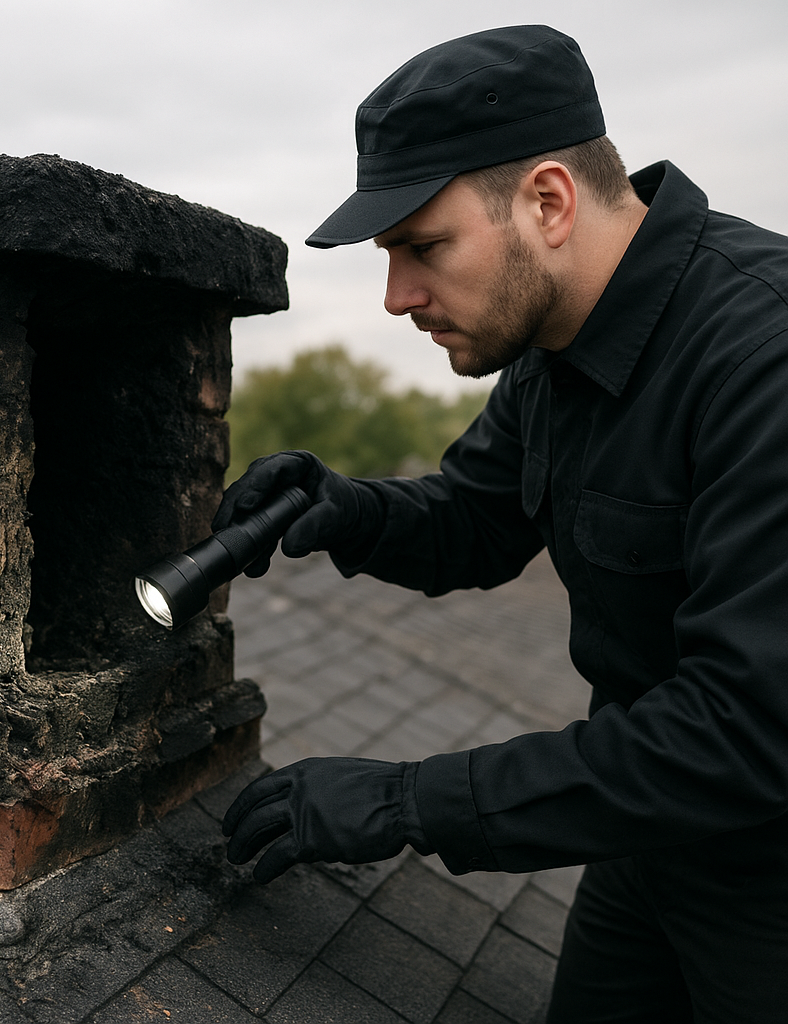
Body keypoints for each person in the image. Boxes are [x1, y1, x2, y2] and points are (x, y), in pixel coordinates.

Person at [213, 24, 788, 1024]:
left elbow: (743, 729)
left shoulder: (761, 356)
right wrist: (341, 507)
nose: (397, 298)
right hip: (644, 843)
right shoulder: (552, 348)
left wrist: (402, 800)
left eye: (422, 247)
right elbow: (474, 523)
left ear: (549, 201)